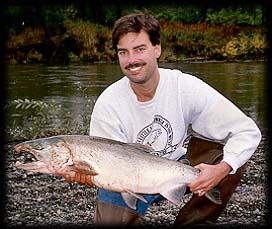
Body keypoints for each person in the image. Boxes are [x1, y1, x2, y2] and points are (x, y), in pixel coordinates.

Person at [65, 11, 261, 226]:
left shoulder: (184, 87)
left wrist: (221, 169)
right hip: (127, 178)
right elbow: (104, 166)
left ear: (157, 49)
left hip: (177, 168)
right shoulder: (108, 103)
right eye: (123, 52)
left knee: (231, 157)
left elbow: (247, 132)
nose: (132, 60)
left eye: (140, 49)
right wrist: (86, 173)